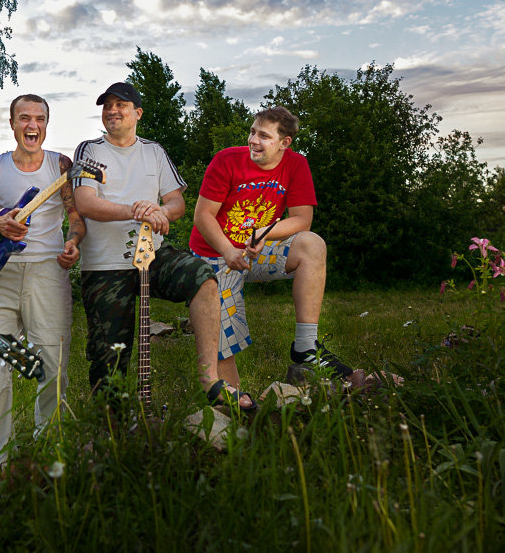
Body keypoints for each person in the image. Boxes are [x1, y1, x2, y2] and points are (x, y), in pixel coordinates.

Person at [74, 82, 238, 407]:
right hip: (105, 266)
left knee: (202, 277)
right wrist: (138, 210)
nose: (112, 110)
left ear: (137, 113)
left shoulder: (154, 151)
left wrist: (160, 211)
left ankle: (210, 378)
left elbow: (176, 203)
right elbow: (86, 203)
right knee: (108, 366)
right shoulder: (89, 150)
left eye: (120, 105)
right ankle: (114, 431)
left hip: (152, 254)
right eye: (107, 105)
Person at [190, 106, 353, 401]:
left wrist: (262, 234)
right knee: (225, 336)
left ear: (284, 142)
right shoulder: (226, 160)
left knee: (311, 243)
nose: (253, 140)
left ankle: (306, 346)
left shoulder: (296, 164)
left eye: (264, 136)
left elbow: (302, 219)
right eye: (253, 131)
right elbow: (202, 217)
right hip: (214, 255)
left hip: (257, 251)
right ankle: (235, 404)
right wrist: (228, 250)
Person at [0, 94, 85, 467]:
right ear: (13, 124)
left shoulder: (61, 165)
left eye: (40, 119)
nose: (32, 125)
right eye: (24, 118)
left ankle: (49, 454)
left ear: (47, 125)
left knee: (52, 364)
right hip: (2, 275)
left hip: (49, 272)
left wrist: (73, 241)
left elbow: (76, 218)